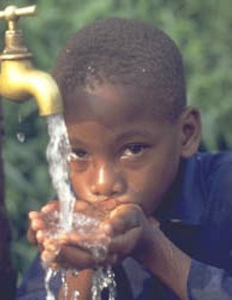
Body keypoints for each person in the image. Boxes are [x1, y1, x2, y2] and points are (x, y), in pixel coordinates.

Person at [16, 18, 232, 300]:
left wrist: (152, 249)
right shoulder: (75, 217)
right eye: (79, 153)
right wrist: (79, 264)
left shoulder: (223, 191)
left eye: (133, 150)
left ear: (186, 134)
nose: (102, 184)